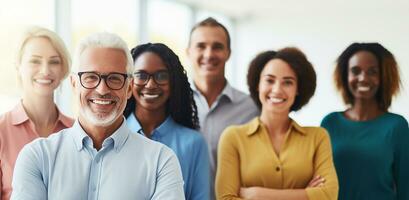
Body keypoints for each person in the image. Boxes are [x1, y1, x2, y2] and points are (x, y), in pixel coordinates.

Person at [11, 32, 185, 200]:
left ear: (130, 88)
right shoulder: (37, 157)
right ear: (74, 84)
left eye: (115, 78)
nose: (102, 90)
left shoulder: (161, 162)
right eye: (90, 77)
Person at [216, 48, 339, 200]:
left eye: (288, 82)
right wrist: (306, 194)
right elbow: (226, 198)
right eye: (269, 80)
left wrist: (257, 195)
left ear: (298, 89)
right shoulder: (233, 137)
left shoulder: (318, 138)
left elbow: (328, 195)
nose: (277, 89)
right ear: (257, 84)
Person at [321, 43, 409, 200]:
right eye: (355, 71)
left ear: (383, 77)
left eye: (372, 72)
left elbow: (405, 188)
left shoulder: (397, 126)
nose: (363, 78)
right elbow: (320, 182)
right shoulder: (330, 123)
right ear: (345, 75)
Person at [123, 43, 210, 200]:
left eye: (161, 76)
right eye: (141, 75)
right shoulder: (113, 136)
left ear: (173, 82)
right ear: (129, 81)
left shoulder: (194, 143)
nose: (150, 85)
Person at [186, 17, 259, 199]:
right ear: (188, 52)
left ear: (228, 53)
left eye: (217, 47)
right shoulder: (171, 104)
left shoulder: (253, 108)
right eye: (201, 46)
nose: (209, 54)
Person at [0, 26, 74, 200]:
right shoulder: (2, 131)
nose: (45, 70)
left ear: (63, 69)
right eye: (35, 61)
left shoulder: (77, 131)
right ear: (18, 66)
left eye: (54, 61)